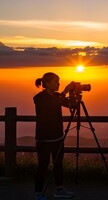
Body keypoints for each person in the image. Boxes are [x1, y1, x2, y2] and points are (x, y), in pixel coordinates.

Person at [33, 72, 75, 200]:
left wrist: (72, 95)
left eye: (59, 81)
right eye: (56, 81)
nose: (58, 84)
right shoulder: (39, 98)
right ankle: (38, 193)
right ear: (47, 83)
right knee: (43, 165)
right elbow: (52, 105)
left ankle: (59, 189)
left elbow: (71, 105)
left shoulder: (57, 96)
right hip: (44, 138)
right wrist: (65, 92)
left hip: (57, 136)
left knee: (58, 164)